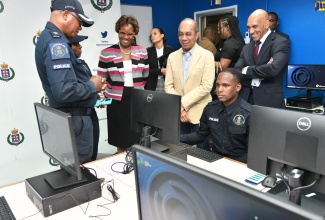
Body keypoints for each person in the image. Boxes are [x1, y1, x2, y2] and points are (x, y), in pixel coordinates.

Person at [35, 0, 106, 164]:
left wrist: (88, 83)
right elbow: (64, 90)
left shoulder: (53, 38)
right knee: (80, 175)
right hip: (75, 120)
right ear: (65, 15)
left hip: (75, 118)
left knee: (80, 172)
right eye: (79, 21)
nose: (80, 27)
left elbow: (66, 81)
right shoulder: (56, 43)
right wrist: (92, 86)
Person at [97, 15, 149, 153]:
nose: (125, 37)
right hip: (116, 102)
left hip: (137, 99)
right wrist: (104, 98)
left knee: (137, 139)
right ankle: (121, 165)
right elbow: (101, 80)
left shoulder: (142, 51)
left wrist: (137, 88)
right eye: (122, 33)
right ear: (118, 31)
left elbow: (145, 76)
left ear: (135, 34)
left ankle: (137, 168)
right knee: (120, 139)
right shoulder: (106, 53)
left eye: (130, 34)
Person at [180, 68, 251, 163]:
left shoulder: (249, 113)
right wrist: (176, 138)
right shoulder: (210, 108)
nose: (219, 90)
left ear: (238, 87)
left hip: (240, 162)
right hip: (215, 159)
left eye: (226, 85)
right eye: (218, 85)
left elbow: (255, 151)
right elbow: (200, 135)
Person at [165, 18, 215, 151]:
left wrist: (182, 104)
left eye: (188, 34)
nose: (184, 38)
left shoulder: (207, 56)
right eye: (181, 34)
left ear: (196, 35)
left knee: (202, 153)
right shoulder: (172, 57)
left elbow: (206, 86)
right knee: (180, 151)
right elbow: (168, 86)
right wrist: (180, 108)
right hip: (178, 113)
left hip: (200, 113)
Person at [234, 9, 290, 108]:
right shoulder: (247, 47)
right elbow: (237, 71)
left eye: (255, 26)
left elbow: (273, 69)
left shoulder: (280, 42)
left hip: (269, 102)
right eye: (248, 27)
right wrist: (264, 68)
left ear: (266, 24)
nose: (251, 31)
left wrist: (247, 69)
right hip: (245, 100)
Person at [69, 35, 100, 161]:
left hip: (90, 113)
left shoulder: (82, 63)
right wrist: (92, 85)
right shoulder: (67, 67)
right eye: (76, 44)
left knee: (92, 154)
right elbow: (76, 89)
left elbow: (89, 84)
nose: (80, 46)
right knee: (81, 160)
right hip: (78, 116)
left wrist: (97, 88)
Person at [212, 15, 245, 100]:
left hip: (228, 82)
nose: (219, 31)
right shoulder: (236, 41)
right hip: (233, 81)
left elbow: (222, 66)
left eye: (220, 28)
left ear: (227, 27)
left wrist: (206, 60)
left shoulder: (230, 44)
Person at [145, 27, 174, 92]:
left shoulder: (170, 51)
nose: (152, 36)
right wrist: (160, 71)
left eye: (155, 34)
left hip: (168, 83)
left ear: (162, 35)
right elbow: (146, 71)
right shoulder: (148, 51)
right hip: (152, 84)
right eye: (151, 35)